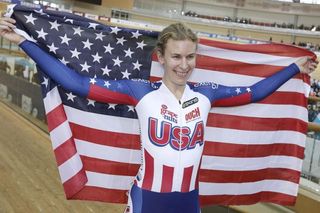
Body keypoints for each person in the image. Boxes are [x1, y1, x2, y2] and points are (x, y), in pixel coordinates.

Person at [0, 16, 318, 213]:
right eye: (176, 56)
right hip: (146, 202)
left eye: (190, 56)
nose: (183, 64)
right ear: (161, 57)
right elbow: (76, 83)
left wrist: (294, 68)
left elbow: (256, 93)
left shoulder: (206, 93)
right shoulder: (140, 91)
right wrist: (24, 42)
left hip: (188, 202)